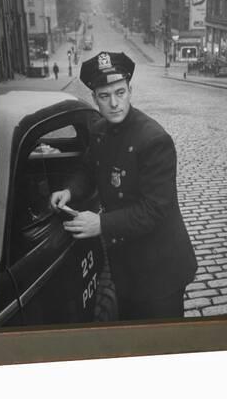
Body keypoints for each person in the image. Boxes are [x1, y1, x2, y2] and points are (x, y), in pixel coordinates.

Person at [51, 51, 197, 321]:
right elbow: (87, 169)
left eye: (120, 92)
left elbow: (155, 209)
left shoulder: (154, 140)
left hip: (160, 270)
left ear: (130, 90)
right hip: (125, 265)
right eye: (105, 96)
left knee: (163, 348)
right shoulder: (98, 131)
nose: (114, 103)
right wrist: (70, 190)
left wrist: (101, 224)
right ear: (95, 99)